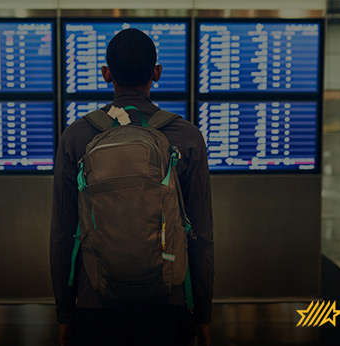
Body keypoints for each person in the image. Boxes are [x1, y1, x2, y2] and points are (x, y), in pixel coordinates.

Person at [50, 28, 214, 346]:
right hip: (168, 303)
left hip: (94, 302)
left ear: (106, 74)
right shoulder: (187, 137)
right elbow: (202, 236)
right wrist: (204, 313)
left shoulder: (76, 137)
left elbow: (62, 233)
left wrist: (64, 313)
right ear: (157, 73)